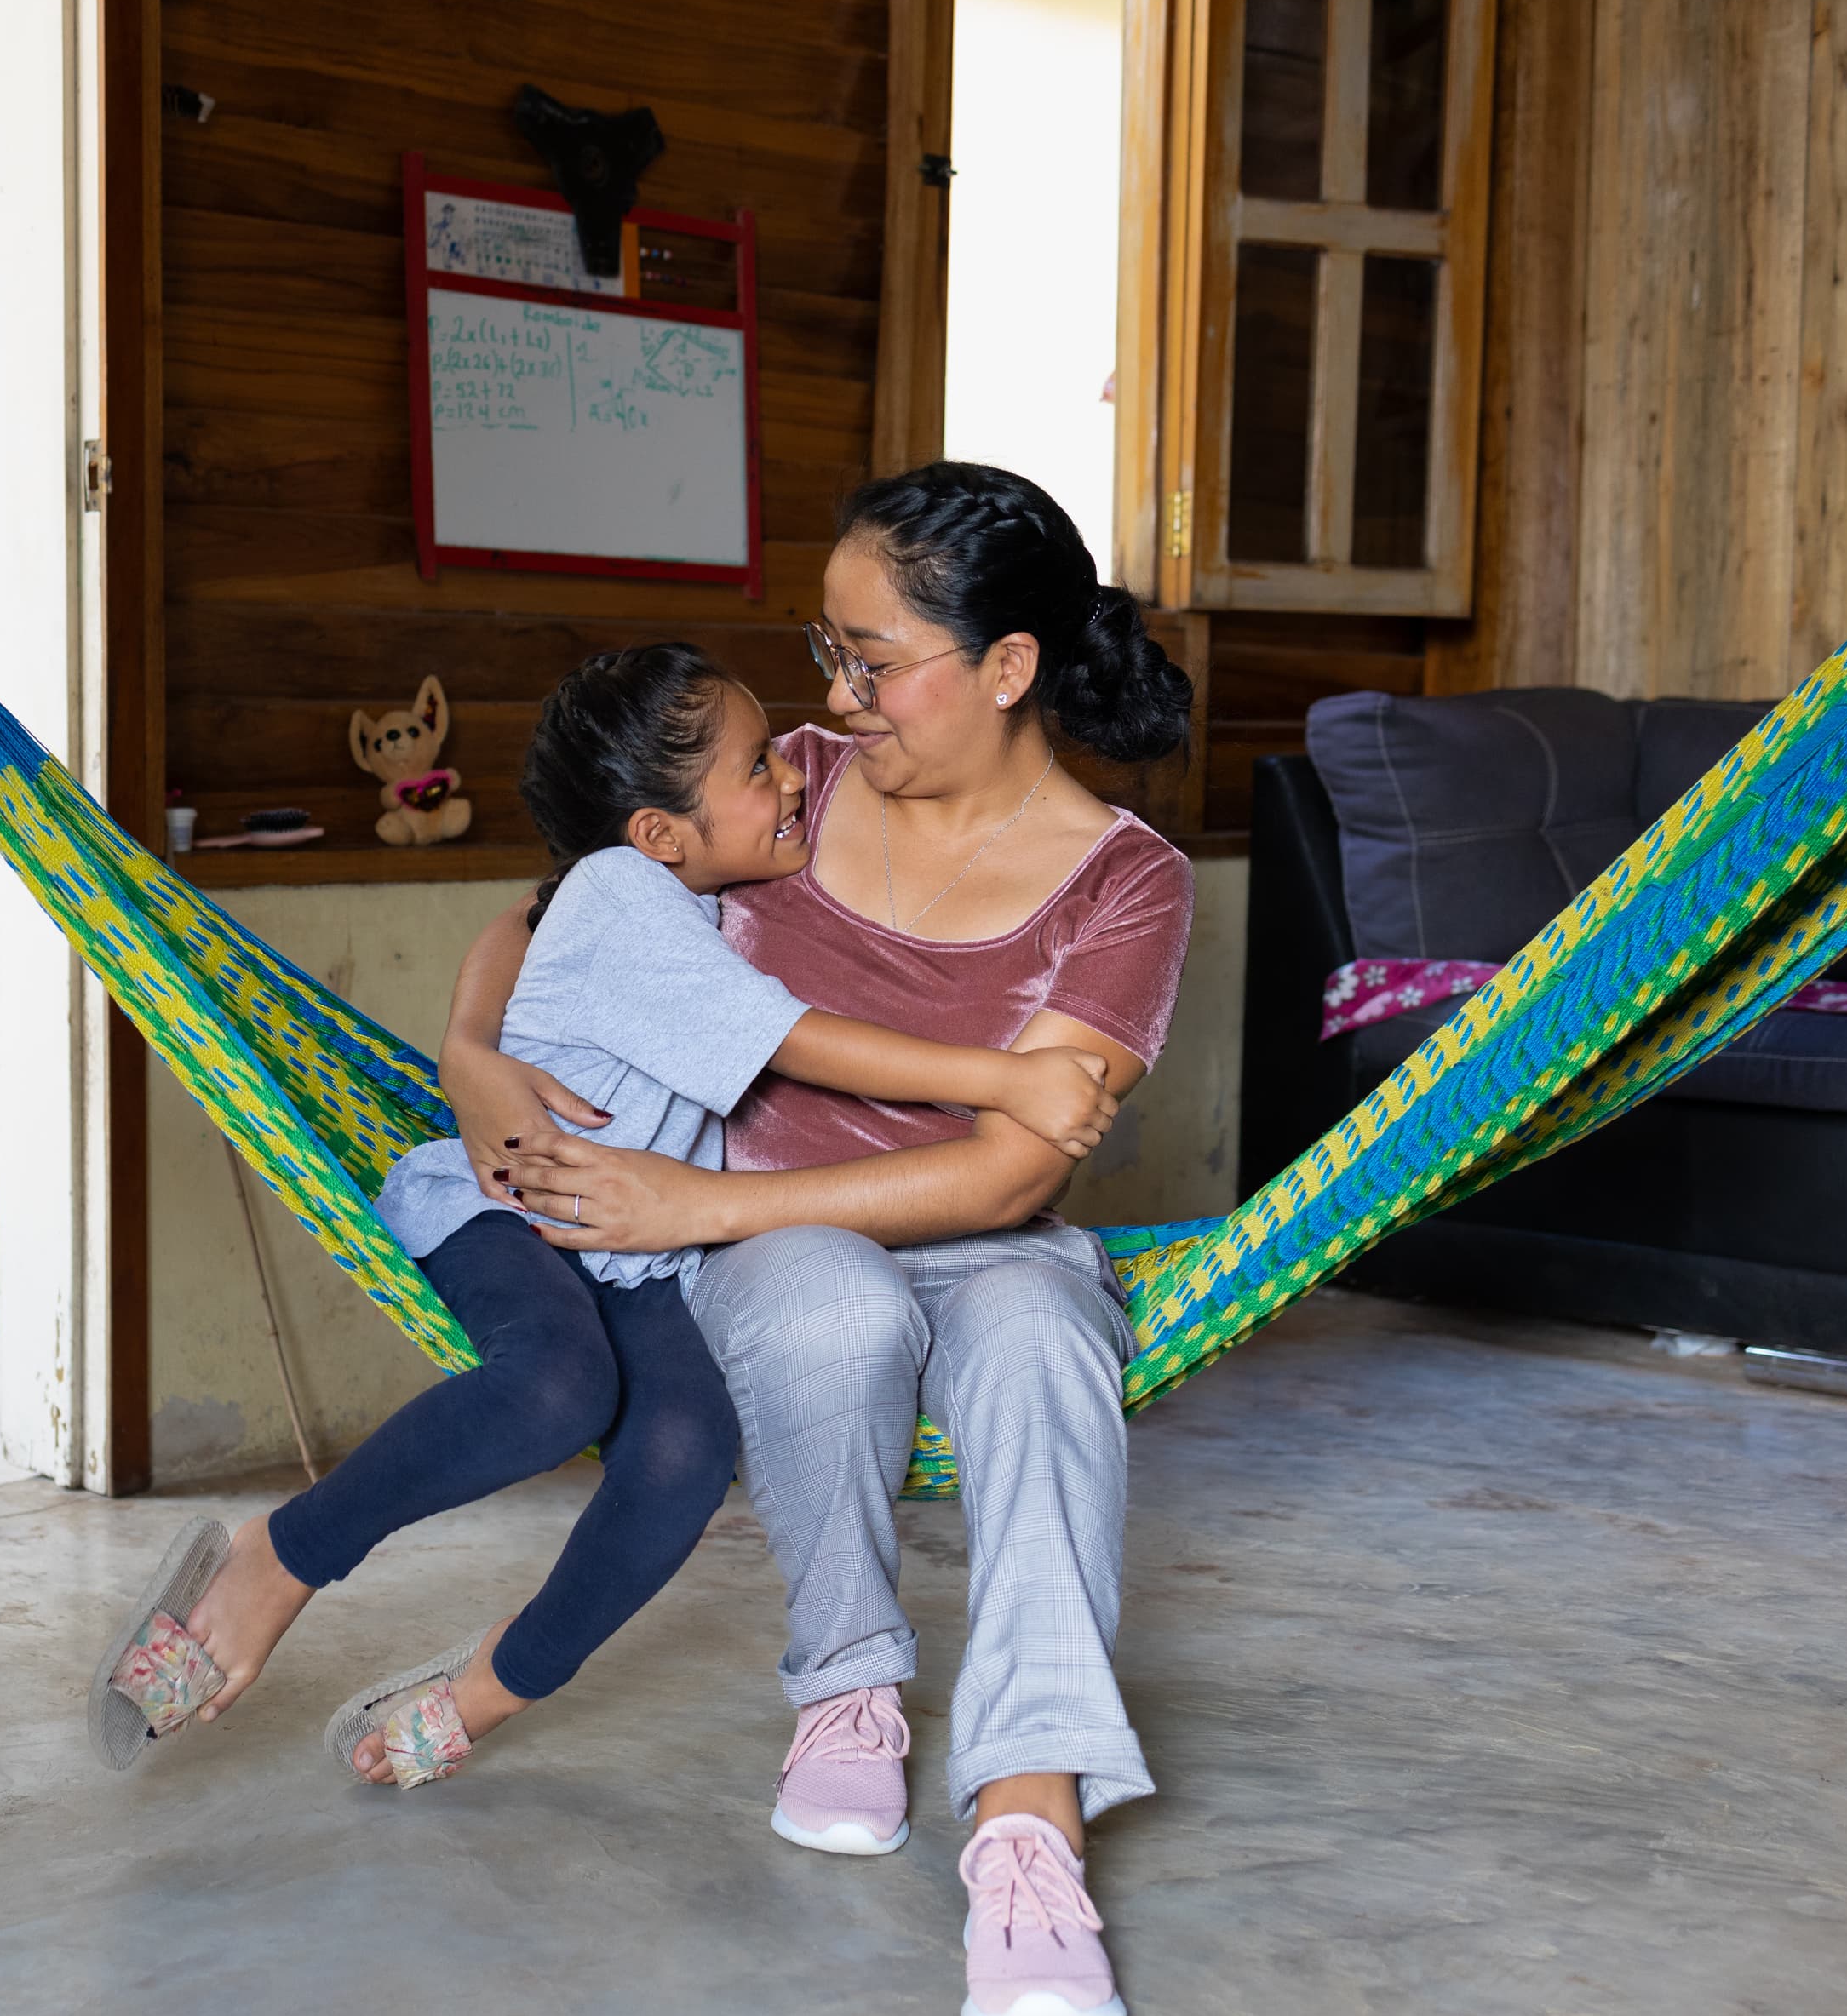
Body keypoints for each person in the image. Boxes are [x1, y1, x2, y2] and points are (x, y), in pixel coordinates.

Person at [89, 640, 1127, 1794]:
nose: (790, 775)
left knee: (686, 1453)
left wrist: (473, 1039)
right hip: (518, 1205)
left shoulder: (715, 885)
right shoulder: (624, 894)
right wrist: (1004, 1080)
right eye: (756, 767)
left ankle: (494, 1680)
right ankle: (278, 1560)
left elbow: (520, 925)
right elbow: (785, 1038)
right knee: (553, 1388)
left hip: (644, 1249)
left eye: (778, 755)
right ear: (658, 832)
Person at [440, 465, 1196, 2016]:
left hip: (959, 1235)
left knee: (1052, 1341)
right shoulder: (787, 775)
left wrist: (687, 1206)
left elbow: (1003, 1176)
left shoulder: (1128, 883)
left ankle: (1027, 1816)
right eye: (826, 650)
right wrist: (478, 1057)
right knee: (829, 1308)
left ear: (1006, 669)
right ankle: (847, 1682)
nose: (836, 696)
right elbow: (554, 911)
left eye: (874, 661)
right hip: (779, 1238)